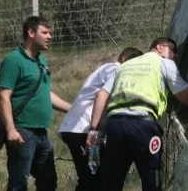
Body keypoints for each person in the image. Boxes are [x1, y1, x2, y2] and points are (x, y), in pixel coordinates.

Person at [92, 37, 188, 191]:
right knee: (151, 179)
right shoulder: (164, 63)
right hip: (143, 126)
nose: (175, 55)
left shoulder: (124, 66)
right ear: (160, 47)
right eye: (173, 50)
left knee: (112, 181)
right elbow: (187, 98)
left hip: (115, 126)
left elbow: (102, 95)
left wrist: (95, 130)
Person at [0, 16, 72, 191]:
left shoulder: (41, 61)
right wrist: (11, 130)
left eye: (50, 33)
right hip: (22, 131)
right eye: (45, 32)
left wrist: (73, 109)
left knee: (48, 181)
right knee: (19, 183)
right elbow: (3, 96)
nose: (50, 36)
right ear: (31, 33)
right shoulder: (13, 61)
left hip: (42, 133)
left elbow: (45, 93)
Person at [58, 47, 143, 191]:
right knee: (91, 179)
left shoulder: (105, 68)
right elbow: (101, 96)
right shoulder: (116, 71)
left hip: (79, 128)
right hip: (84, 130)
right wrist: (94, 131)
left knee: (94, 177)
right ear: (127, 61)